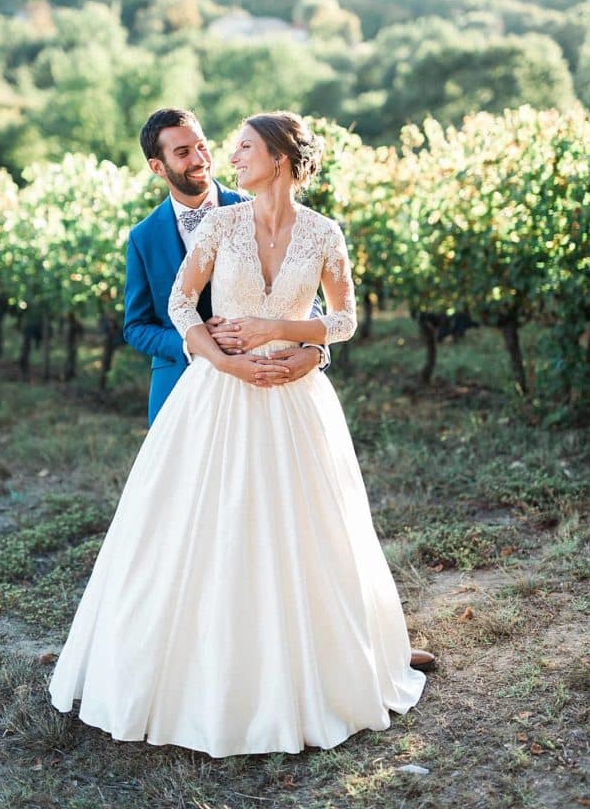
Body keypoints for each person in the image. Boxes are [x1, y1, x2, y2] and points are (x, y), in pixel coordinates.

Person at [49, 111, 427, 756]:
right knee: (206, 526)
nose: (225, 158)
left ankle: (326, 659)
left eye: (241, 147)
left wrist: (294, 342)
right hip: (218, 394)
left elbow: (344, 319)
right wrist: (223, 357)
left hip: (294, 396)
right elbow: (174, 305)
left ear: (279, 158)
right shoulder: (220, 226)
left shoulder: (323, 232)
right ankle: (202, 673)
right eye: (203, 149)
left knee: (307, 528)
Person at [122, 107, 324, 425]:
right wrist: (194, 341)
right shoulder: (143, 237)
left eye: (202, 146)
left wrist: (315, 350)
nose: (200, 159)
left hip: (262, 382)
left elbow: (305, 293)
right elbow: (136, 326)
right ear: (157, 166)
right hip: (178, 384)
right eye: (183, 152)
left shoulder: (256, 208)